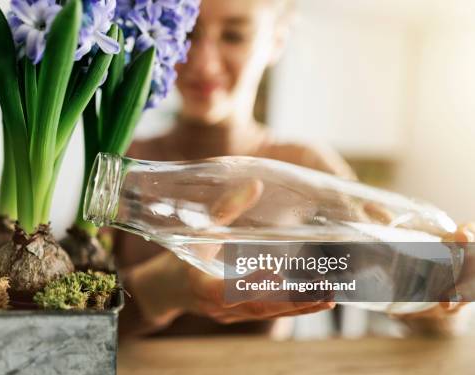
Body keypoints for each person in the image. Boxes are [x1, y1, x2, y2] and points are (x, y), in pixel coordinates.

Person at [112, 0, 474, 339]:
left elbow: (435, 322)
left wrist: (442, 292)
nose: (203, 62)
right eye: (188, 32)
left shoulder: (308, 166)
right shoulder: (121, 168)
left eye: (234, 36)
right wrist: (157, 291)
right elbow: (71, 331)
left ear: (276, 41)